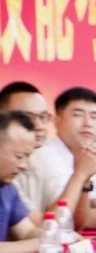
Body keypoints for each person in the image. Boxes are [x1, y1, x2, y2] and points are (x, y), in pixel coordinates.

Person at [33, 88, 96, 230]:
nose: (87, 123)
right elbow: (70, 215)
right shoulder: (47, 156)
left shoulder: (85, 153)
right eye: (78, 115)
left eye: (94, 116)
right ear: (56, 120)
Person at [0, 81, 58, 225]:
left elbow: (28, 231)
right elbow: (41, 223)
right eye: (26, 117)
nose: (39, 125)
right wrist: (80, 175)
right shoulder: (6, 175)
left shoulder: (42, 158)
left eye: (43, 117)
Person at [0, 112, 44, 253]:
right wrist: (43, 243)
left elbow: (26, 232)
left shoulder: (7, 187)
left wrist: (62, 236)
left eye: (27, 157)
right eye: (19, 156)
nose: (24, 165)